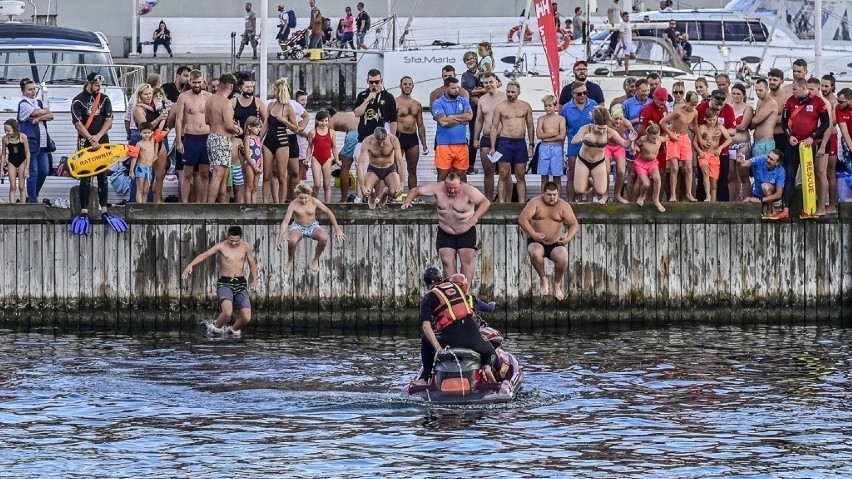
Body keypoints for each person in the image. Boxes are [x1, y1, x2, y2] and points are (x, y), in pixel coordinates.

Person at [412, 266, 499, 386]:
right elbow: (482, 308)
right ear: (442, 279)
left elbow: (426, 327)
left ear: (426, 284)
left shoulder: (428, 298)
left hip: (452, 338)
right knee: (490, 351)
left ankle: (425, 379)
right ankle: (488, 368)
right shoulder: (457, 288)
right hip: (472, 334)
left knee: (426, 341)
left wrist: (438, 348)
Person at [402, 173, 491, 283]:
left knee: (466, 261)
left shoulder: (469, 190)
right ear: (444, 184)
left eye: (455, 188)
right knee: (447, 261)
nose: (452, 191)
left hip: (465, 231)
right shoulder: (438, 188)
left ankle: (465, 292)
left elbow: (485, 202)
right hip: (446, 231)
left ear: (460, 184)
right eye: (449, 188)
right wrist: (407, 201)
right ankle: (453, 291)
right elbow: (416, 190)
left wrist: (475, 217)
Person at [70, 72, 127, 235]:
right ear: (89, 83)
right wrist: (90, 138)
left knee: (103, 176)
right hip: (86, 141)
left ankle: (104, 209)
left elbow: (109, 120)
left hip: (102, 140)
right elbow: (78, 123)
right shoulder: (78, 100)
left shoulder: (105, 99)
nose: (99, 88)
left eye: (100, 85)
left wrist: (98, 137)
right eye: (96, 85)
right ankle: (84, 210)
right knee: (85, 178)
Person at [770, 77, 830, 220]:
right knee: (789, 176)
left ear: (803, 88)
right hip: (793, 144)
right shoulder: (791, 101)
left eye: (795, 89)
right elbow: (784, 123)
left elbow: (826, 123)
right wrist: (789, 136)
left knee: (807, 177)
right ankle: (786, 209)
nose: (793, 92)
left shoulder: (818, 102)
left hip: (808, 146)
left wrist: (813, 137)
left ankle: (808, 208)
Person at [182, 225, 258, 337]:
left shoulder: (246, 247)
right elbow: (204, 255)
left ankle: (231, 331)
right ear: (227, 237)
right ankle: (214, 330)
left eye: (236, 241)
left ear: (241, 238)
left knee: (246, 317)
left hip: (240, 283)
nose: (233, 243)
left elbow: (252, 264)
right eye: (231, 240)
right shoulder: (221, 246)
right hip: (225, 283)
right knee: (227, 312)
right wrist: (191, 265)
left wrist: (254, 280)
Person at [517, 181, 579, 300]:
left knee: (563, 257)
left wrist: (568, 238)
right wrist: (533, 234)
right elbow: (522, 219)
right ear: (543, 193)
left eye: (555, 195)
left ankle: (557, 284)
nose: (552, 197)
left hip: (555, 243)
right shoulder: (535, 202)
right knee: (535, 252)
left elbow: (574, 224)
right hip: (536, 241)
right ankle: (543, 278)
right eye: (549, 195)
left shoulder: (563, 205)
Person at [276, 182, 346, 273]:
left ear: (309, 195)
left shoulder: (314, 201)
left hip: (312, 226)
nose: (304, 201)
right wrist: (279, 239)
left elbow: (328, 212)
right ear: (297, 195)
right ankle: (289, 260)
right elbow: (285, 222)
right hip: (298, 227)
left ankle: (316, 259)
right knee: (292, 241)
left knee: (324, 238)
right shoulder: (293, 204)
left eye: (306, 198)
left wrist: (337, 228)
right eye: (301, 198)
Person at [570, 105, 632, 204]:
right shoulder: (586, 129)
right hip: (583, 160)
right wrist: (583, 139)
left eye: (604, 128)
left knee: (601, 191)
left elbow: (625, 144)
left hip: (598, 162)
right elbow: (574, 140)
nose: (601, 131)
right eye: (599, 128)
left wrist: (630, 139)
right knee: (579, 191)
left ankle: (591, 179)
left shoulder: (610, 132)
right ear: (594, 124)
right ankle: (588, 180)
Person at [491, 80, 534, 203]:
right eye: (508, 91)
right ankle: (501, 203)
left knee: (520, 174)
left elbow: (530, 126)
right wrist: (493, 147)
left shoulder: (525, 106)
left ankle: (521, 203)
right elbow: (494, 127)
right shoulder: (500, 107)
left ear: (519, 92)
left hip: (520, 142)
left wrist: (531, 145)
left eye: (513, 92)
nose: (510, 94)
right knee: (503, 174)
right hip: (505, 142)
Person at [174, 70, 212, 203]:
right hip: (190, 137)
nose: (196, 85)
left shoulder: (208, 96)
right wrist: (179, 141)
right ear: (189, 82)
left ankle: (203, 203)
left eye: (199, 82)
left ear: (203, 82)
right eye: (194, 82)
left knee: (204, 173)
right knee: (187, 173)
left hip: (206, 137)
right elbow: (178, 120)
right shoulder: (183, 97)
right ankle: (185, 203)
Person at [205, 74, 241, 203]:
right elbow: (229, 125)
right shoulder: (226, 102)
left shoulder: (210, 99)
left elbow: (207, 120)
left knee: (221, 174)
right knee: (218, 175)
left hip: (211, 137)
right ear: (231, 86)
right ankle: (210, 207)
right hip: (222, 139)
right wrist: (239, 130)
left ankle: (220, 204)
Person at [262, 79, 299, 203]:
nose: (274, 92)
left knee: (282, 176)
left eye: (275, 89)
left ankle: (281, 204)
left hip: (282, 142)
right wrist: (257, 141)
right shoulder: (270, 105)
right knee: (266, 175)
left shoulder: (288, 108)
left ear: (280, 91)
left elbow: (295, 129)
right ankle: (266, 202)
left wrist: (285, 121)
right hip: (268, 141)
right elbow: (265, 125)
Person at [659, 91, 699, 202]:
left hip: (685, 138)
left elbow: (695, 125)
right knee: (675, 168)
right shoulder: (678, 112)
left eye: (695, 105)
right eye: (691, 105)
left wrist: (700, 139)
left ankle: (689, 194)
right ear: (686, 102)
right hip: (674, 138)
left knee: (688, 167)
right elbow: (662, 122)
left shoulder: (695, 112)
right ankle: (673, 195)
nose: (692, 107)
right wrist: (670, 134)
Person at [16, 78, 53, 204]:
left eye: (34, 89)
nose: (33, 91)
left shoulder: (39, 102)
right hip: (30, 144)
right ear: (23, 91)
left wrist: (38, 118)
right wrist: (43, 113)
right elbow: (40, 112)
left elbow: (51, 115)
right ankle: (32, 200)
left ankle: (33, 195)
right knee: (33, 172)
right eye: (30, 89)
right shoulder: (24, 104)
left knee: (44, 171)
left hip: (43, 143)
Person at [562, 81, 598, 201]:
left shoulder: (594, 105)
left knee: (590, 174)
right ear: (573, 94)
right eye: (579, 94)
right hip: (573, 146)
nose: (582, 96)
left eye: (585, 93)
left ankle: (589, 203)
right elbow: (562, 129)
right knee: (572, 174)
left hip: (591, 147)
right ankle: (571, 203)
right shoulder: (566, 108)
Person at [353, 69, 397, 165]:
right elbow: (357, 113)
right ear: (367, 82)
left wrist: (393, 140)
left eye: (377, 82)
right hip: (364, 138)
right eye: (371, 82)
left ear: (381, 81)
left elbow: (393, 120)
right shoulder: (362, 95)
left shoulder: (388, 97)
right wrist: (367, 100)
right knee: (362, 171)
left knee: (383, 170)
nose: (374, 84)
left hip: (383, 140)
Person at [472, 72, 505, 201]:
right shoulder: (482, 99)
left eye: (491, 82)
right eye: (486, 83)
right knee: (488, 172)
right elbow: (479, 120)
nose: (488, 85)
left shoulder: (504, 97)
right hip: (486, 138)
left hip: (502, 138)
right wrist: (475, 138)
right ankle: (489, 200)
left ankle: (503, 201)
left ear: (496, 82)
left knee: (504, 172)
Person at [433, 77, 473, 182]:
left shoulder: (463, 100)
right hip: (444, 145)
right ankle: (441, 198)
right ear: (446, 89)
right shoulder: (438, 103)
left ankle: (463, 198)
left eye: (457, 88)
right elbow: (443, 122)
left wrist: (451, 116)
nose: (456, 90)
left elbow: (469, 116)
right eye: (453, 88)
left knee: (461, 174)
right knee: (442, 174)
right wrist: (461, 119)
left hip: (461, 144)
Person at [357, 126, 406, 208]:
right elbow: (360, 165)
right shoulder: (368, 141)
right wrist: (362, 186)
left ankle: (385, 193)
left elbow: (400, 162)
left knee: (395, 192)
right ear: (374, 137)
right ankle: (372, 195)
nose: (381, 144)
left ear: (387, 136)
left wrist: (402, 183)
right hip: (373, 169)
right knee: (365, 192)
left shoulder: (393, 140)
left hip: (389, 168)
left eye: (383, 141)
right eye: (379, 142)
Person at [395, 76, 429, 190]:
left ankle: (412, 196)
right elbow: (391, 122)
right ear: (400, 86)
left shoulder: (417, 105)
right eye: (405, 84)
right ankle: (395, 194)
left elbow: (420, 125)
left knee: (412, 169)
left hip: (412, 138)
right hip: (399, 137)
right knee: (396, 168)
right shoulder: (395, 102)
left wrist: (424, 144)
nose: (407, 86)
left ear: (413, 87)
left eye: (410, 84)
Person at [694, 108, 732, 202]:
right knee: (705, 172)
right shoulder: (702, 128)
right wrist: (699, 151)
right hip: (704, 154)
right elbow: (694, 142)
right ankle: (707, 196)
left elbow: (729, 139)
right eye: (710, 120)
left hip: (714, 156)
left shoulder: (719, 127)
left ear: (717, 118)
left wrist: (720, 148)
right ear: (706, 119)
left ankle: (713, 202)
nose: (712, 122)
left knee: (714, 183)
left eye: (714, 120)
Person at [738, 149, 786, 217]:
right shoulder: (760, 159)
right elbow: (744, 164)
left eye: (771, 159)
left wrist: (760, 200)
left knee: (765, 186)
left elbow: (778, 194)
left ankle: (770, 211)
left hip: (771, 195)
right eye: (768, 157)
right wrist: (740, 161)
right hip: (757, 194)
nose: (768, 160)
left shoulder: (781, 171)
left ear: (777, 163)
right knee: (745, 203)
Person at [536, 95, 567, 198]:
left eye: (549, 105)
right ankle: (543, 197)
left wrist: (547, 137)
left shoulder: (561, 119)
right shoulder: (541, 119)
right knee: (544, 176)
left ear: (555, 106)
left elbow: (562, 136)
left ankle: (558, 198)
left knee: (556, 176)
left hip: (556, 148)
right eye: (545, 106)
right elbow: (539, 135)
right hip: (544, 147)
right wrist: (554, 134)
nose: (547, 108)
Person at [327, 107, 360, 202]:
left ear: (328, 116)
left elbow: (330, 144)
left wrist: (327, 161)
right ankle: (363, 196)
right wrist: (334, 161)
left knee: (344, 169)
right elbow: (344, 151)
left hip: (353, 134)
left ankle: (343, 199)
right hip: (362, 134)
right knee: (361, 168)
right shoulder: (345, 117)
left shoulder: (331, 121)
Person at [306, 110, 338, 203]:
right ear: (317, 121)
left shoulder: (332, 132)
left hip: (327, 159)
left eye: (326, 121)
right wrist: (307, 159)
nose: (324, 123)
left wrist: (337, 159)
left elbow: (334, 148)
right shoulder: (312, 132)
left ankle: (327, 205)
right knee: (317, 184)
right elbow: (309, 147)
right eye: (322, 121)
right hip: (316, 158)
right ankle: (313, 203)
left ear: (328, 121)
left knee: (327, 185)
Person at [633, 122, 666, 212]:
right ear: (648, 135)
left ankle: (656, 200)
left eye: (657, 138)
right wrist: (636, 148)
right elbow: (636, 144)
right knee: (646, 184)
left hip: (653, 163)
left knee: (657, 178)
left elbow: (668, 137)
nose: (655, 140)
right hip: (641, 164)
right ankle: (642, 195)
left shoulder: (659, 139)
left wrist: (675, 136)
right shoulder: (643, 139)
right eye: (653, 138)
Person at [729, 83, 754, 200]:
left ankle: (746, 200)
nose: (735, 96)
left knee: (743, 175)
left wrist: (728, 128)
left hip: (742, 145)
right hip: (730, 146)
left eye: (738, 94)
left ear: (743, 95)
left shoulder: (747, 108)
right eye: (733, 93)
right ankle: (732, 201)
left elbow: (743, 126)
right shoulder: (728, 106)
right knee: (730, 175)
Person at [607, 104, 637, 203]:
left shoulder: (626, 123)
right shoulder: (606, 122)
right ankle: (605, 194)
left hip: (620, 145)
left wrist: (632, 146)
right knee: (606, 171)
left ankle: (617, 195)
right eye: (615, 119)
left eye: (620, 119)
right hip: (607, 146)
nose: (618, 121)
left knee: (621, 171)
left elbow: (633, 134)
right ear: (611, 116)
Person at [2, 119, 29, 204]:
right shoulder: (5, 139)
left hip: (22, 161)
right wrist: (1, 169)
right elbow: (3, 154)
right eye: (5, 130)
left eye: (8, 130)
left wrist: (27, 168)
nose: (7, 132)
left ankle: (23, 206)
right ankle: (12, 207)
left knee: (21, 186)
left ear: (15, 129)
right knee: (12, 186)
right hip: (12, 162)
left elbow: (27, 153)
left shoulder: (22, 137)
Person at [129, 122, 157, 203]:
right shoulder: (139, 144)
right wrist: (131, 171)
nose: (146, 135)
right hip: (140, 168)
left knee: (146, 190)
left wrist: (163, 117)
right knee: (140, 189)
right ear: (140, 133)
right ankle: (140, 206)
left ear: (152, 132)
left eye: (148, 133)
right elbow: (134, 157)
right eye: (144, 133)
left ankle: (144, 207)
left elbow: (160, 130)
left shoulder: (153, 141)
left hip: (149, 169)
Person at [751, 78, 778, 157]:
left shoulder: (771, 103)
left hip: (765, 142)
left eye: (760, 90)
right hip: (757, 142)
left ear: (767, 89)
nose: (757, 93)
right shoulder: (759, 101)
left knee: (763, 167)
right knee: (756, 168)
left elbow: (756, 120)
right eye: (756, 90)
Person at [241, 116, 263, 204]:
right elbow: (246, 154)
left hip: (257, 164)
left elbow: (260, 153)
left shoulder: (258, 138)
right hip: (250, 164)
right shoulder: (247, 138)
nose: (259, 129)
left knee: (255, 187)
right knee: (249, 186)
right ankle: (248, 205)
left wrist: (261, 166)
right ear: (250, 127)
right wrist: (254, 167)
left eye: (260, 127)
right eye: (257, 127)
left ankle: (254, 205)